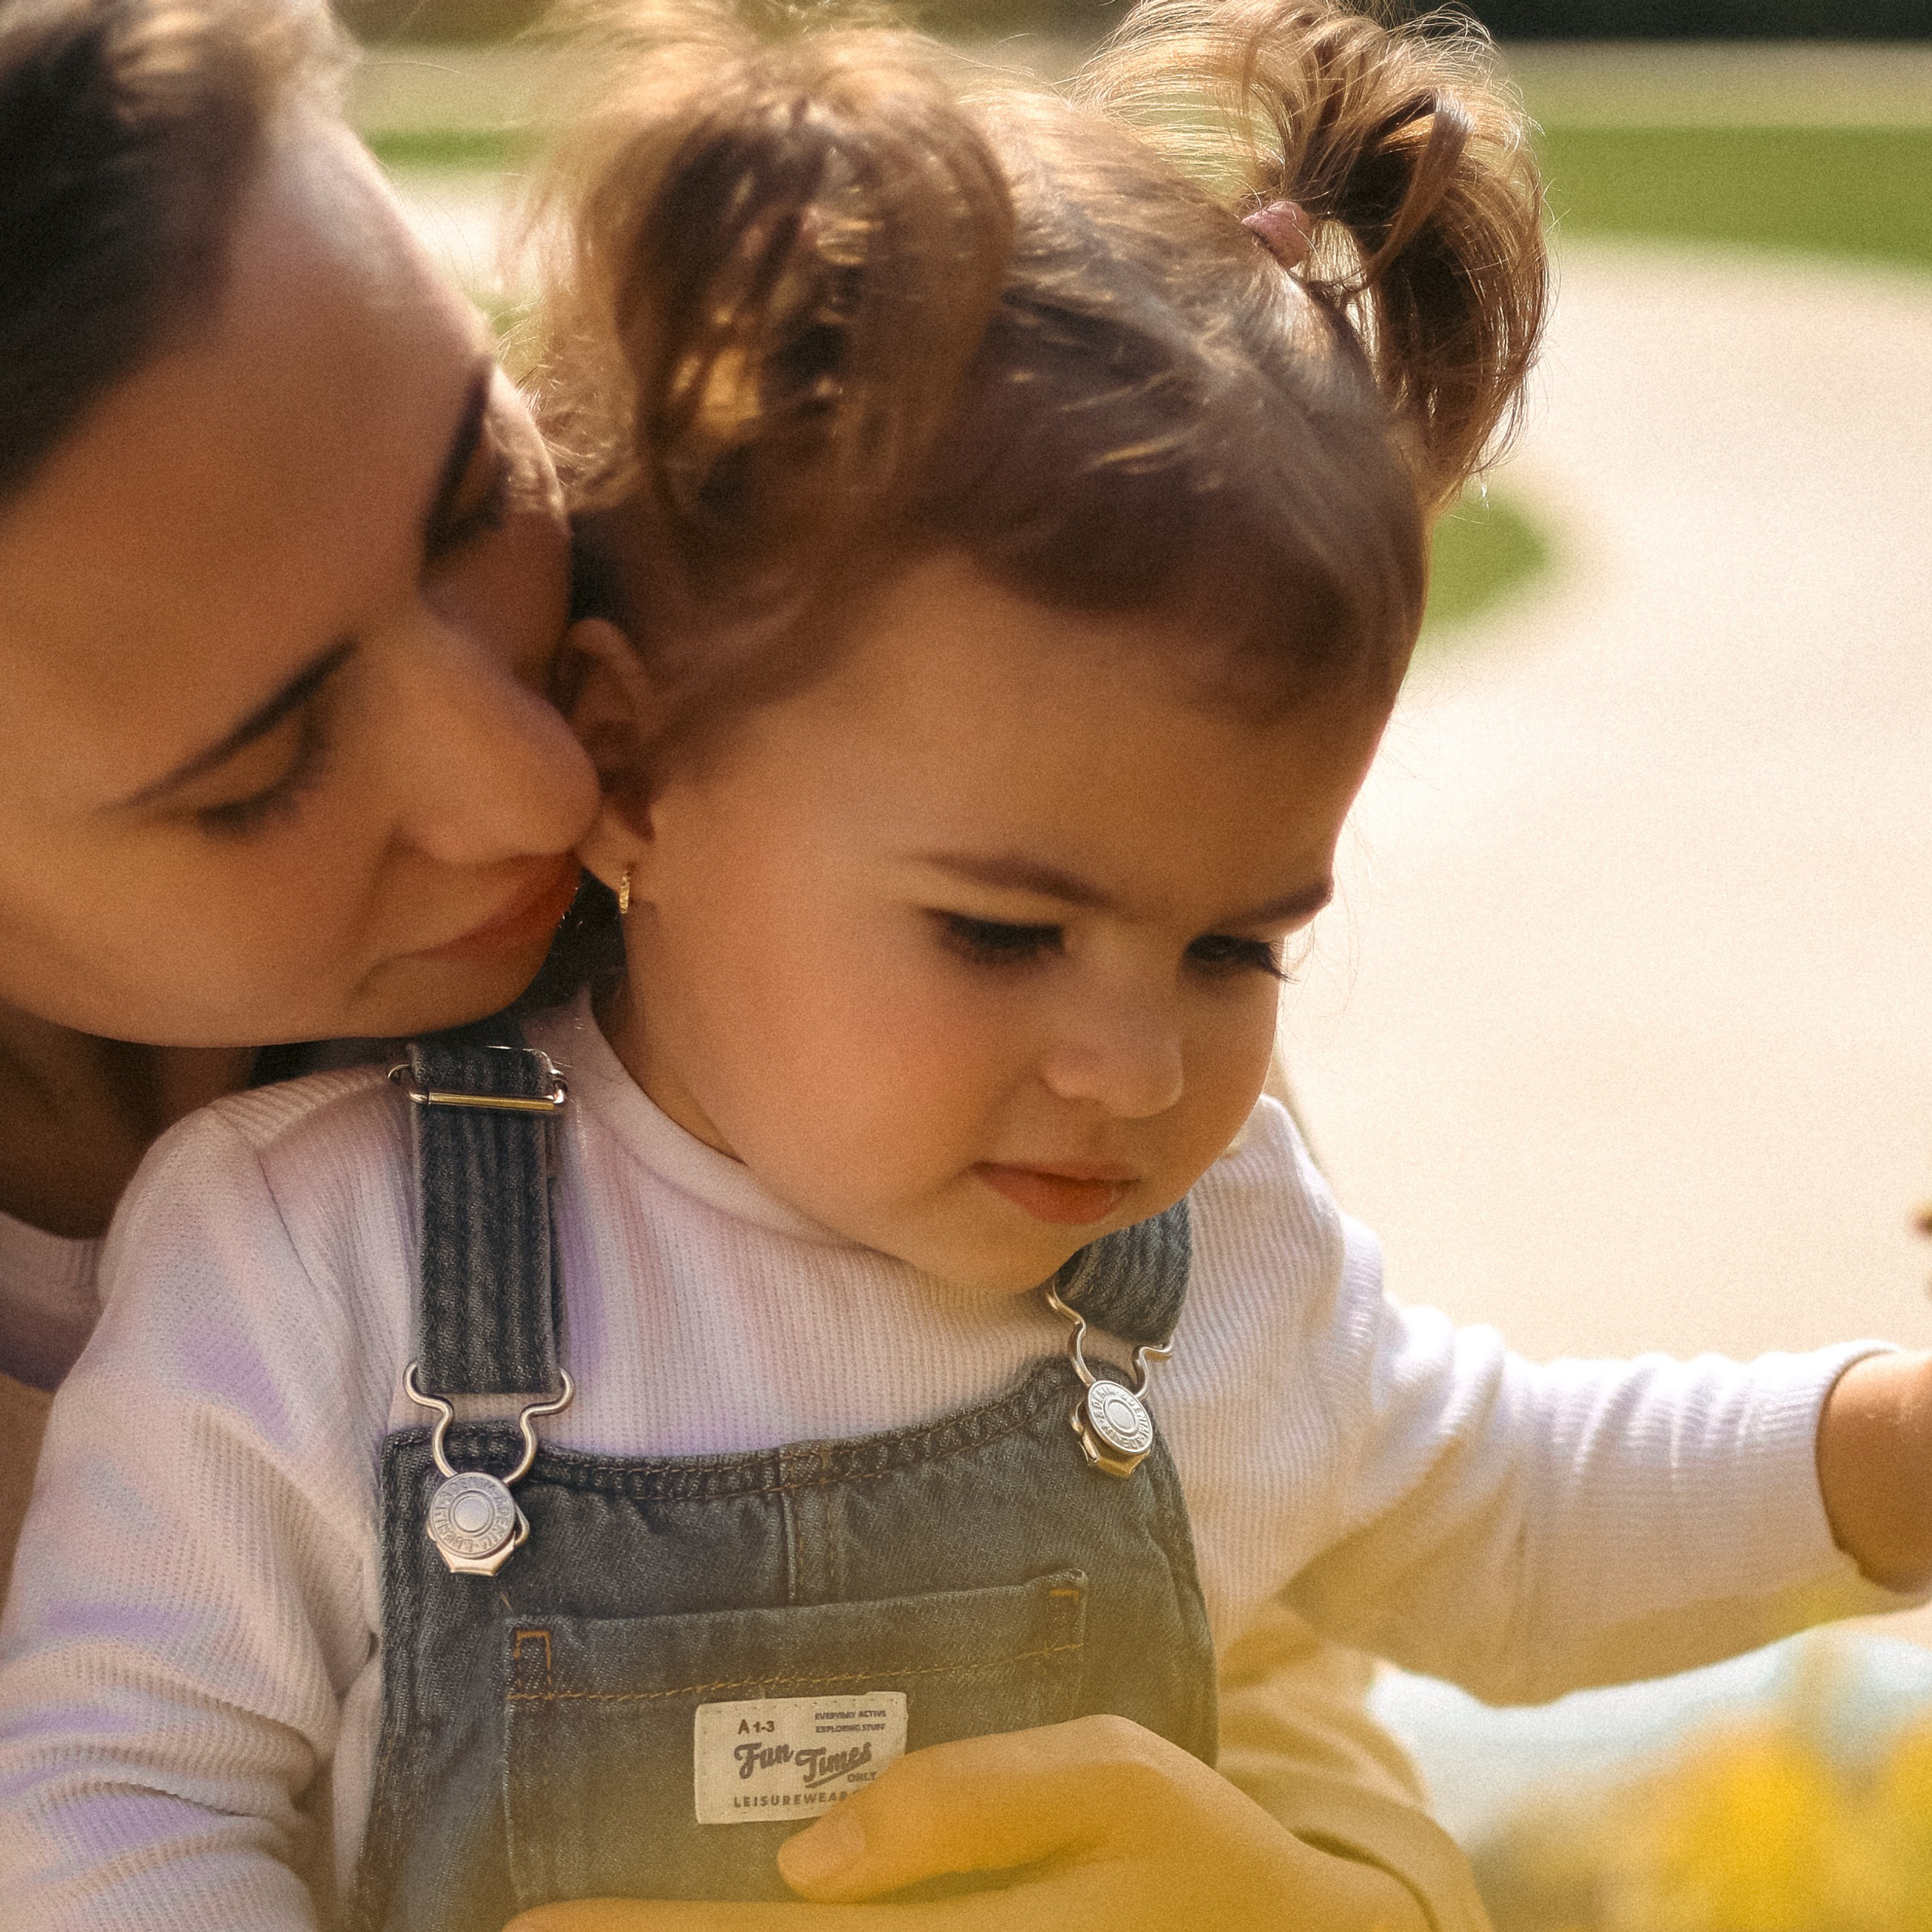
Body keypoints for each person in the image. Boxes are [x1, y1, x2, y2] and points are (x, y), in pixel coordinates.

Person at [0, 1, 1497, 1925]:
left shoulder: (830, 746)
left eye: (475, 487)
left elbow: (1271, 1594)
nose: (537, 772)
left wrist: (1336, 1903)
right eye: (262, 763)